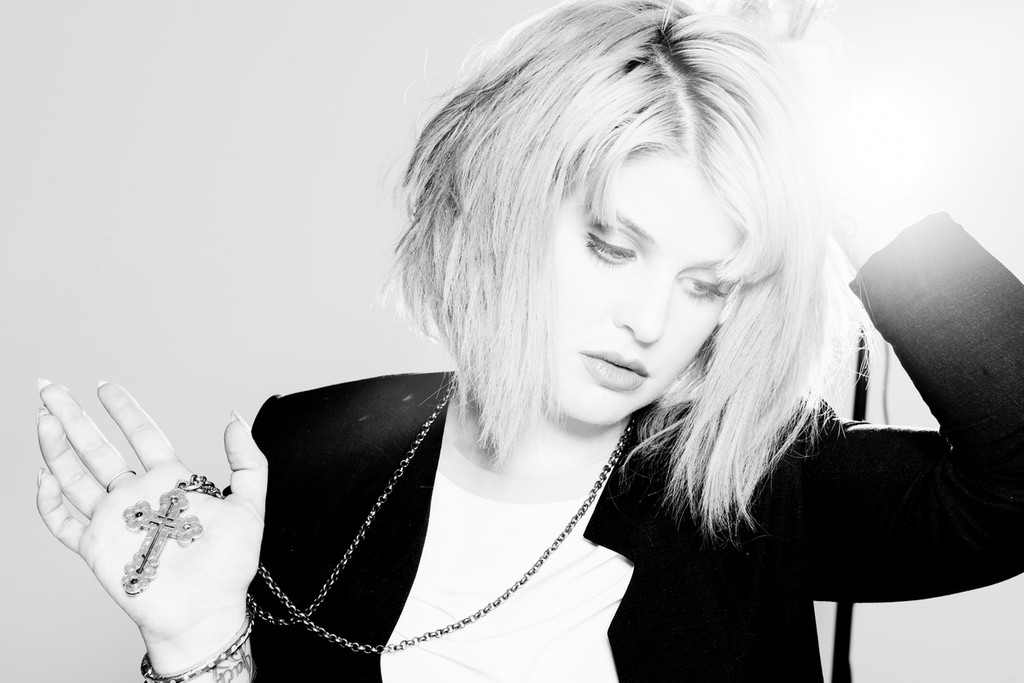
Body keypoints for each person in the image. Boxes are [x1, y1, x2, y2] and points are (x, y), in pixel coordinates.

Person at [33, 0, 1024, 681]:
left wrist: (830, 177)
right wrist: (199, 641)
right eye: (612, 246)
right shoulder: (302, 455)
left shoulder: (751, 485)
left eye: (705, 283)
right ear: (506, 206)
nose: (650, 320)